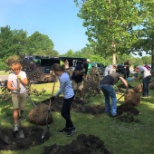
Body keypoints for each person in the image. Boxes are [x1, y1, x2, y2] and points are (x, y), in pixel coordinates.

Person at [51, 63, 76, 137]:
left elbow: (61, 89)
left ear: (57, 70)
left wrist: (55, 96)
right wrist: (56, 75)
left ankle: (72, 127)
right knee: (67, 113)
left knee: (63, 113)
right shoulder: (63, 74)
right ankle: (67, 127)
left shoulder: (63, 78)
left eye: (54, 71)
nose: (54, 73)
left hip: (69, 96)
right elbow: (59, 77)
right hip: (68, 95)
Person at [7, 62, 28, 132]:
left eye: (17, 70)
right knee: (16, 108)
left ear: (20, 69)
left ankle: (19, 116)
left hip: (23, 93)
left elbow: (26, 83)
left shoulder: (23, 73)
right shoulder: (11, 75)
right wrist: (15, 89)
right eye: (14, 70)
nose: (16, 71)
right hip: (15, 94)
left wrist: (21, 79)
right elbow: (8, 86)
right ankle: (16, 125)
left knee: (22, 108)